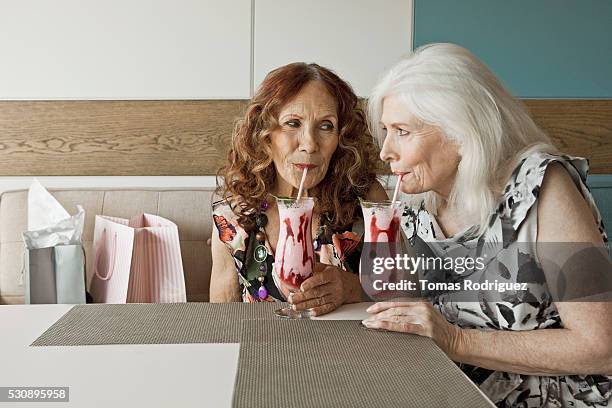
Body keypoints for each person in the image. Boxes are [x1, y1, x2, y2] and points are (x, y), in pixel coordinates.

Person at [363, 43, 612, 407]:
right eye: (385, 129)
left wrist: (457, 342)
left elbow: (601, 346)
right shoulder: (417, 204)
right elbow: (414, 311)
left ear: (461, 132)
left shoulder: (542, 187)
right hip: (451, 392)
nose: (385, 151)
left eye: (402, 131)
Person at [210, 62, 387, 316]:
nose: (310, 144)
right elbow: (222, 320)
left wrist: (353, 289)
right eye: (293, 123)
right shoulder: (233, 215)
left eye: (326, 126)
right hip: (263, 351)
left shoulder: (366, 200)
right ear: (265, 134)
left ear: (341, 138)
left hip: (352, 352)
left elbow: (405, 293)